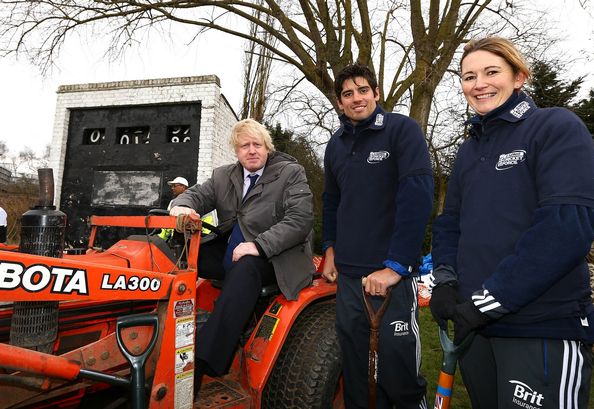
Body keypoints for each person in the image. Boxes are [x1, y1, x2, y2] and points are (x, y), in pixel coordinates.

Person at [430, 37, 594, 409]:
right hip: (474, 329)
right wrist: (446, 280)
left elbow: (566, 225)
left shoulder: (555, 126)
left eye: (491, 72)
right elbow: (450, 224)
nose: (479, 83)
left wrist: (489, 301)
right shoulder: (470, 148)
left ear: (519, 76)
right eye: (468, 76)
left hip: (540, 324)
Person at [170, 119, 315, 392]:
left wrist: (259, 245)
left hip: (277, 256)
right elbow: (196, 196)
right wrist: (181, 208)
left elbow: (300, 220)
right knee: (175, 254)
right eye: (244, 146)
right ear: (236, 151)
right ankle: (159, 332)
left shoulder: (290, 173)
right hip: (232, 250)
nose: (251, 151)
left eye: (257, 145)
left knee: (246, 267)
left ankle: (202, 362)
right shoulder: (224, 175)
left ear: (267, 148)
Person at [322, 63, 434, 409]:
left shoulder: (402, 130)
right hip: (349, 277)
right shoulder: (336, 144)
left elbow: (417, 196)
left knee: (398, 374)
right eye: (348, 94)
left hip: (390, 277)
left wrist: (396, 266)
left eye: (363, 90)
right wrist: (329, 248)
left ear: (376, 93)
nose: (357, 99)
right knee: (356, 371)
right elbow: (332, 201)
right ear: (340, 102)